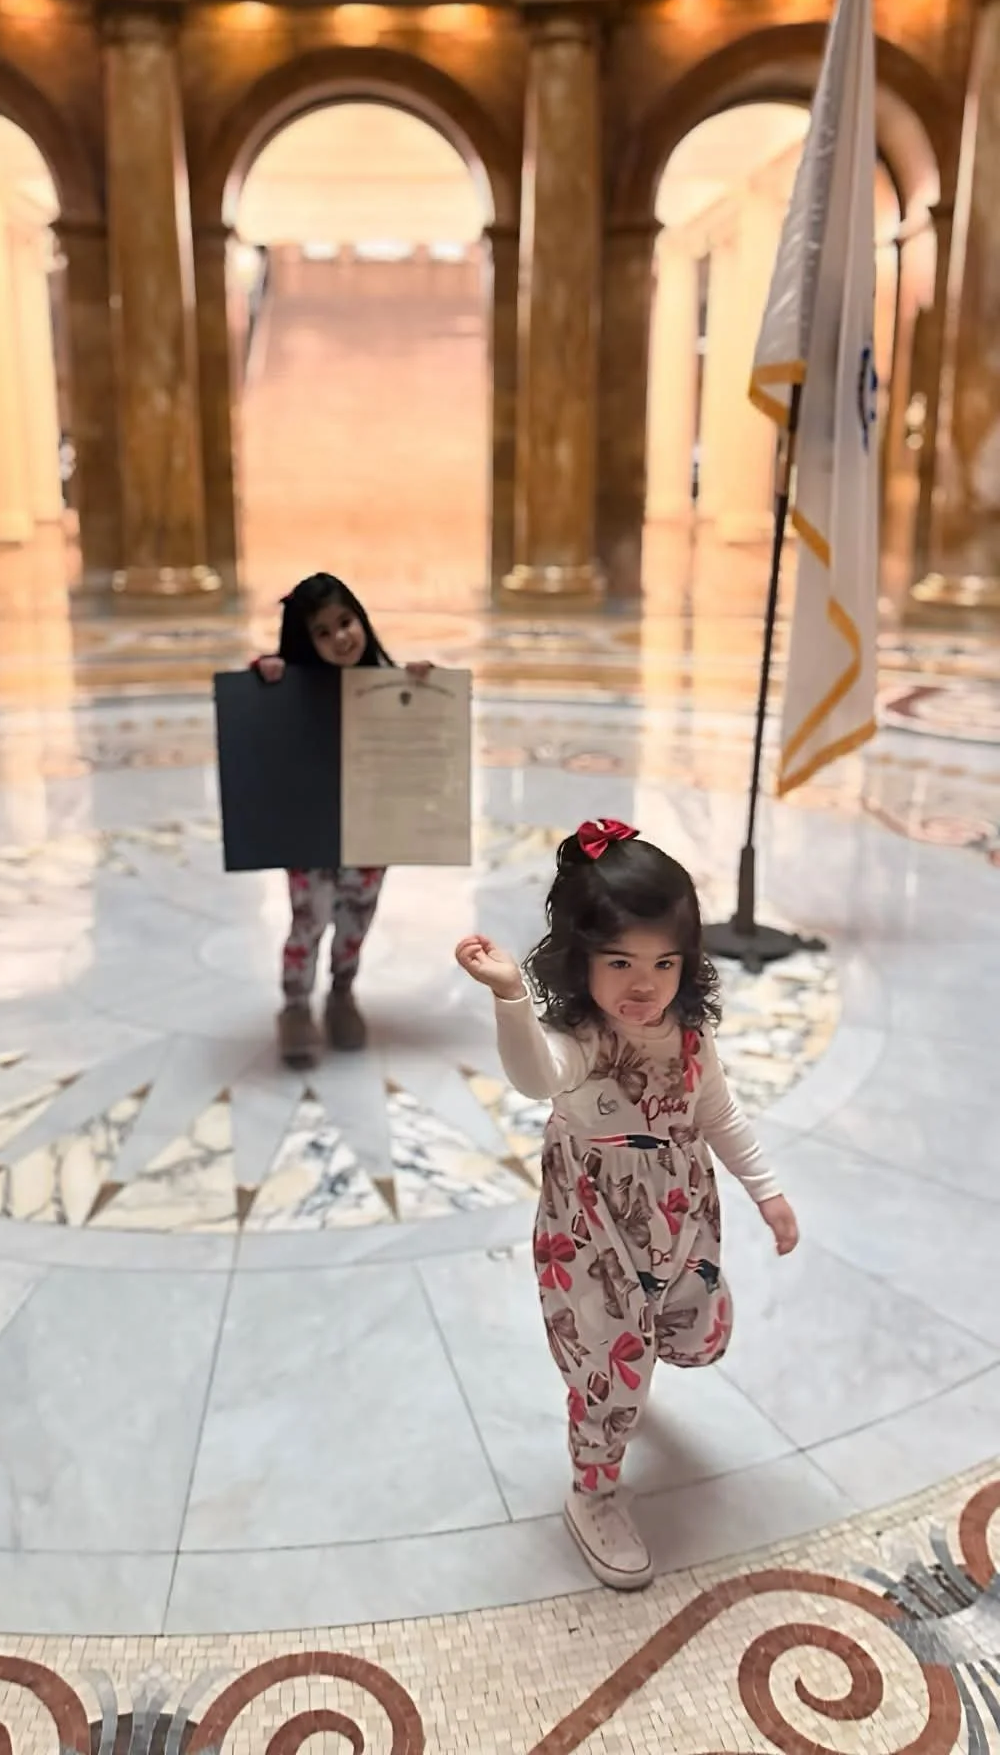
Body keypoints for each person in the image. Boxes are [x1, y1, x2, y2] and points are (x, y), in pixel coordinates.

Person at [455, 818, 799, 1592]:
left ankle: (636, 1365)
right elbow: (535, 1077)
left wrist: (768, 1190)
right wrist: (510, 997)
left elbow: (718, 1114)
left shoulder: (687, 1036)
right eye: (619, 963)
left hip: (681, 1216)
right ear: (581, 961)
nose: (644, 986)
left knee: (694, 1332)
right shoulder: (581, 1043)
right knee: (607, 1366)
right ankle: (594, 1492)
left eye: (663, 963)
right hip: (593, 1232)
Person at [255, 572, 432, 1069]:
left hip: (371, 834)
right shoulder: (289, 688)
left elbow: (427, 740)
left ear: (362, 619)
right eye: (323, 631)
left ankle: (341, 994)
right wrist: (266, 673)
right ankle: (295, 1006)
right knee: (308, 921)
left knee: (356, 918)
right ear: (305, 640)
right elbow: (258, 712)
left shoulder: (387, 684)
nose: (340, 637)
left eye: (346, 622)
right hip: (310, 837)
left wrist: (423, 686)